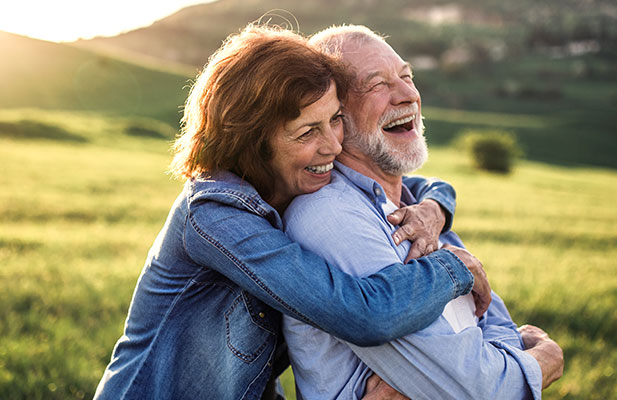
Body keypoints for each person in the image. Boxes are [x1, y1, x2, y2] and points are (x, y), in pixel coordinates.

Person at [93, 24, 493, 399]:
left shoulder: (294, 177)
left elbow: (414, 185)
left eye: (335, 120)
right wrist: (454, 268)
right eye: (307, 132)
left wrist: (433, 210)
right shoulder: (215, 216)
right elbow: (362, 315)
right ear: (252, 141)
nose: (333, 147)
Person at [282, 25, 564, 399]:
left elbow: (487, 317)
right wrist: (544, 358)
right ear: (336, 116)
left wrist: (497, 354)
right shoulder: (330, 218)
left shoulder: (420, 212)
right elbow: (474, 389)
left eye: (407, 76)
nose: (408, 95)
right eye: (378, 84)